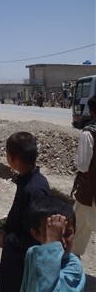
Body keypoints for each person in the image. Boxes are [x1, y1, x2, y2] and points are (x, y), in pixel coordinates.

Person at [0, 132, 50, 292]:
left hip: (22, 270)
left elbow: (36, 239)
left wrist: (5, 238)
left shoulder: (34, 190)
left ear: (11, 157)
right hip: (16, 262)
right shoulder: (30, 181)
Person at [20, 195, 85, 292]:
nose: (61, 242)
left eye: (67, 234)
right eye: (52, 235)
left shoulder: (74, 269)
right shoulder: (33, 253)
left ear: (74, 231)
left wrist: (52, 245)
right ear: (35, 234)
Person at [72, 94, 96, 257]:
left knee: (78, 223)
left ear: (92, 112)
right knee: (79, 222)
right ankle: (73, 254)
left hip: (91, 190)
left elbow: (82, 165)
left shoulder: (89, 133)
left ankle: (72, 257)